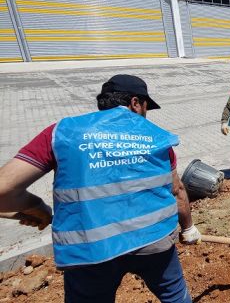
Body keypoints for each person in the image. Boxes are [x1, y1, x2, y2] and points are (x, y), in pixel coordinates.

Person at [0, 74, 201, 302]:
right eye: (147, 106)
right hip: (154, 243)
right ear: (135, 103)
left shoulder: (62, 133)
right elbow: (178, 191)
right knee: (176, 297)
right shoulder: (157, 137)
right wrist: (188, 228)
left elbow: (3, 189)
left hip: (91, 251)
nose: (146, 114)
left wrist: (37, 208)